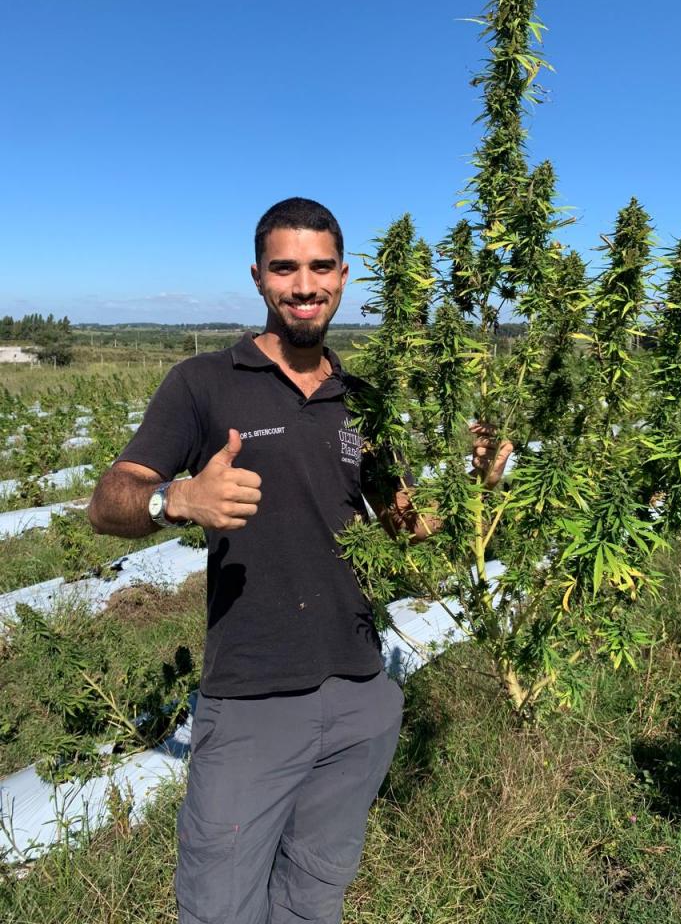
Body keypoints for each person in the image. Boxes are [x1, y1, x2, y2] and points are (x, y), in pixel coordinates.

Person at [88, 197, 511, 924]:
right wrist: (179, 499)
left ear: (343, 276)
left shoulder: (362, 400)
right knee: (220, 908)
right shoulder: (204, 383)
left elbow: (407, 523)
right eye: (285, 268)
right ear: (259, 278)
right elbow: (107, 501)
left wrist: (481, 484)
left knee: (316, 897)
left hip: (360, 695)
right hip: (252, 699)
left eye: (320, 267)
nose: (304, 285)